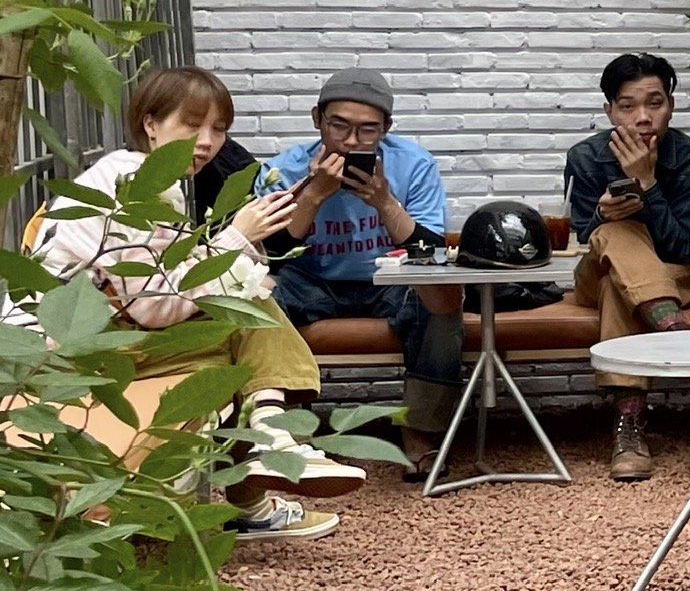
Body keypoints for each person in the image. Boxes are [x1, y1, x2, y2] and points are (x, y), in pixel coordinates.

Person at [37, 66, 366, 542]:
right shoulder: (135, 182)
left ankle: (262, 459)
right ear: (151, 123)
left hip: (102, 343)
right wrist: (237, 239)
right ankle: (267, 440)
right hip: (73, 357)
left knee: (238, 311)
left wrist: (236, 253)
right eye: (192, 125)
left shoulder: (133, 173)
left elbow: (163, 287)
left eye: (219, 129)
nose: (208, 141)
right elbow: (153, 306)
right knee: (241, 311)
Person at [261, 68, 463, 473]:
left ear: (385, 129)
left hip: (390, 278)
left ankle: (421, 430)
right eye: (339, 126)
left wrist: (385, 203)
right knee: (259, 299)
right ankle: (286, 432)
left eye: (367, 131)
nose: (351, 141)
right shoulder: (282, 168)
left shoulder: (414, 164)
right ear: (317, 119)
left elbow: (430, 252)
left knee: (439, 299)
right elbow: (274, 253)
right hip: (310, 280)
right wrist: (314, 195)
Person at [564, 52, 690, 481]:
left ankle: (629, 423)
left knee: (624, 287)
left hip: (681, 275)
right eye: (628, 106)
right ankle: (674, 335)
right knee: (615, 235)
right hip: (596, 275)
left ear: (671, 104)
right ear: (609, 110)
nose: (643, 117)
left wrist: (650, 186)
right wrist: (602, 216)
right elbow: (583, 236)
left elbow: (682, 246)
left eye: (655, 103)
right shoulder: (584, 158)